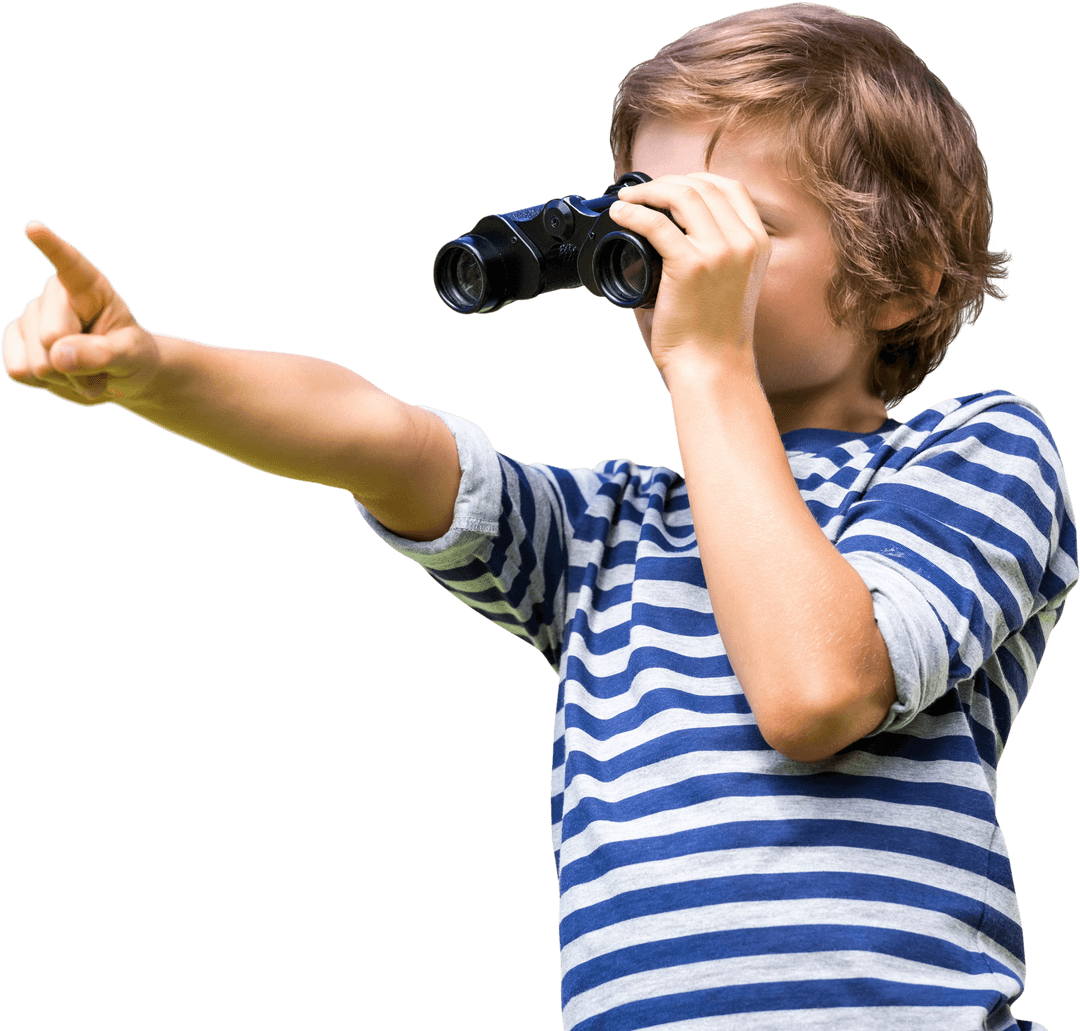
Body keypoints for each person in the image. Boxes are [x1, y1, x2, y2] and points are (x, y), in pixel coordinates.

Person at [4, 4, 1075, 1028]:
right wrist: (151, 371)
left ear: (900, 285)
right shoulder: (607, 532)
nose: (681, 266)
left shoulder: (980, 450)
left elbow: (815, 688)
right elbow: (377, 437)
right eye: (650, 217)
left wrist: (704, 362)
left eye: (734, 231)